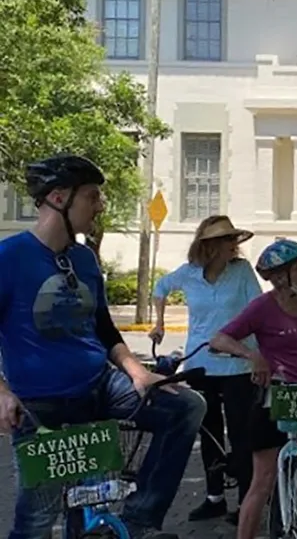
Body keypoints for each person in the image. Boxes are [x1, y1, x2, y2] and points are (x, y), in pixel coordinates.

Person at [0, 154, 207, 539]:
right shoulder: (9, 258)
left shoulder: (84, 260)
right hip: (39, 407)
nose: (100, 206)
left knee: (186, 406)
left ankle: (139, 519)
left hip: (99, 388)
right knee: (36, 523)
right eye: (92, 197)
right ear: (60, 198)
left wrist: (139, 372)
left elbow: (104, 329)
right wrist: (2, 392)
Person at [209, 239, 297, 539]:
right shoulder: (262, 307)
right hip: (276, 395)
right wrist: (253, 356)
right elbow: (219, 339)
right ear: (279, 276)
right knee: (263, 479)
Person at [149, 215, 260, 524]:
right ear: (209, 246)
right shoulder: (189, 274)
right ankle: (215, 498)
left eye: (233, 241)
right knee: (209, 434)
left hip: (238, 363)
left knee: (242, 434)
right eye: (227, 241)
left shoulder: (241, 272)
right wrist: (158, 323)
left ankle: (246, 502)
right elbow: (160, 288)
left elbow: (256, 310)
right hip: (200, 364)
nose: (233, 247)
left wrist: (256, 354)